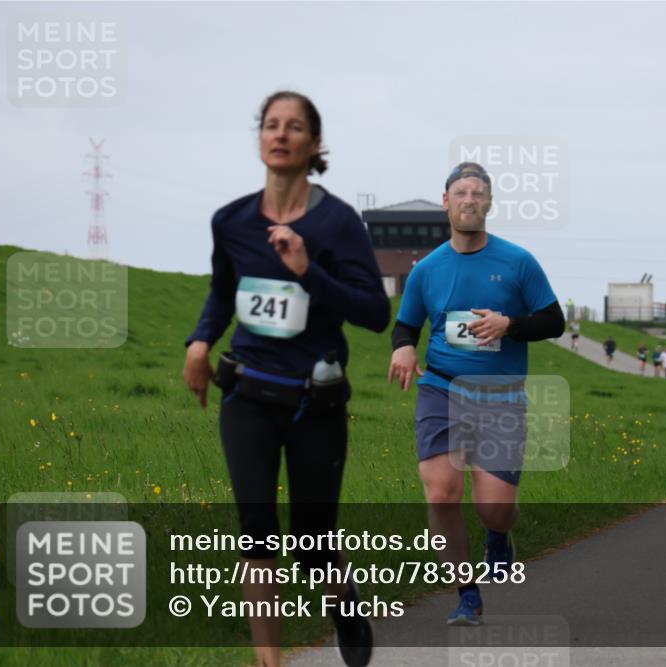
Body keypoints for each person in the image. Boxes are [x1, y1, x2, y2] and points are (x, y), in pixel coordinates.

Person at [182, 91, 389, 667]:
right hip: (247, 393)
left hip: (313, 402)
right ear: (260, 138)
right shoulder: (231, 221)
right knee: (256, 531)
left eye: (294, 127)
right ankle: (269, 662)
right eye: (271, 125)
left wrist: (307, 270)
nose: (280, 134)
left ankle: (343, 604)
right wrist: (199, 343)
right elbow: (222, 293)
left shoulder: (337, 223)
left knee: (311, 544)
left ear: (314, 143)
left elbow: (375, 313)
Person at [387, 161, 564, 625]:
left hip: (500, 395)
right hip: (441, 389)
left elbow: (554, 321)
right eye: (461, 192)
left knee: (495, 509)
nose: (469, 200)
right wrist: (404, 347)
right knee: (442, 494)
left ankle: (499, 536)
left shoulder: (518, 262)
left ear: (489, 203)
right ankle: (466, 594)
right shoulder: (427, 269)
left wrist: (511, 324)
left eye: (478, 193)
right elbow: (405, 324)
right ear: (446, 201)